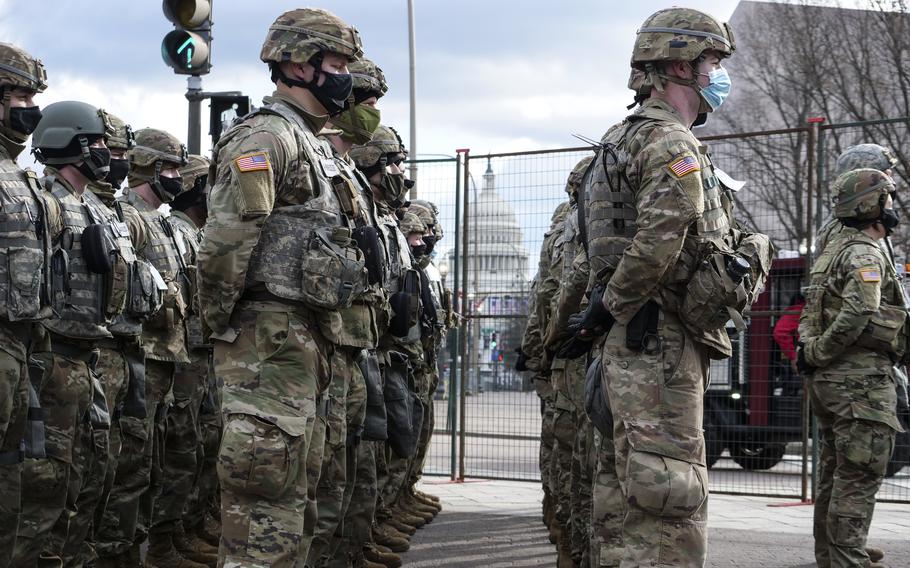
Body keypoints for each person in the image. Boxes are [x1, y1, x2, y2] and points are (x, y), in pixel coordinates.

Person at [567, 8, 770, 565]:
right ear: (679, 66)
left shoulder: (620, 139)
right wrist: (612, 308)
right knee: (668, 500)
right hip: (657, 344)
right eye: (713, 62)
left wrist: (603, 315)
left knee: (622, 498)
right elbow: (661, 237)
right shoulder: (671, 143)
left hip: (630, 343)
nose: (719, 74)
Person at [197, 8, 365, 566]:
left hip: (302, 341)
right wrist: (219, 327)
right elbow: (226, 243)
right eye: (336, 63)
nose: (345, 75)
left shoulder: (309, 141)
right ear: (297, 64)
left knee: (296, 510)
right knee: (263, 507)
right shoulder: (267, 136)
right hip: (267, 344)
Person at [17, 100, 132, 567]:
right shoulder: (46, 203)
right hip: (53, 359)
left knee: (89, 478)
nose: (105, 152)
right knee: (47, 487)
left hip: (89, 359)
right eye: (97, 142)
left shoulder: (93, 208)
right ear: (69, 143)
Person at [797, 169, 904, 568]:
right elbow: (861, 309)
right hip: (859, 382)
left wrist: (811, 354)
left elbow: (811, 309)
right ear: (871, 204)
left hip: (831, 382)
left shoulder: (834, 248)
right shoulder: (864, 252)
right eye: (887, 198)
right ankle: (847, 558)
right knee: (859, 475)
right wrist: (821, 351)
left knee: (834, 474)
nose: (891, 206)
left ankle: (833, 555)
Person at [115, 127, 194, 567]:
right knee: (130, 469)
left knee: (154, 466)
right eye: (168, 167)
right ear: (144, 165)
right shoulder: (128, 216)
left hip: (167, 359)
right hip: (142, 359)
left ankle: (153, 550)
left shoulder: (160, 221)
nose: (175, 176)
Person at [0, 42, 53, 568]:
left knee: (12, 476)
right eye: (16, 95)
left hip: (20, 345)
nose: (28, 108)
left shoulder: (20, 176)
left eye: (31, 96)